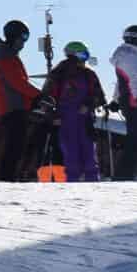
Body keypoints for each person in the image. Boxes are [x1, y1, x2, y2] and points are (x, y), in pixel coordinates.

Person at [0, 19, 43, 182]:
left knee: (18, 144)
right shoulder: (6, 58)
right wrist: (38, 96)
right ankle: (6, 178)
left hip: (16, 106)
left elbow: (18, 84)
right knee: (15, 145)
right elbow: (17, 82)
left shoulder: (9, 56)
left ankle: (10, 177)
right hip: (12, 108)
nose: (23, 43)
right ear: (13, 37)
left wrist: (33, 100)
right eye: (22, 38)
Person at [45, 42, 107, 183]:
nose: (84, 59)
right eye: (82, 55)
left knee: (86, 154)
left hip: (83, 119)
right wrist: (52, 116)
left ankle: (90, 184)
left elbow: (99, 96)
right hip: (67, 118)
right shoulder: (59, 74)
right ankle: (75, 188)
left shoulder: (87, 74)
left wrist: (89, 104)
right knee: (73, 156)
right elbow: (48, 98)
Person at [108, 24, 137, 182]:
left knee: (136, 141)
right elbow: (135, 80)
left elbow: (123, 81)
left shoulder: (126, 57)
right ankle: (124, 176)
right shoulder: (132, 59)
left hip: (133, 104)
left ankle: (125, 175)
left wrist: (115, 100)